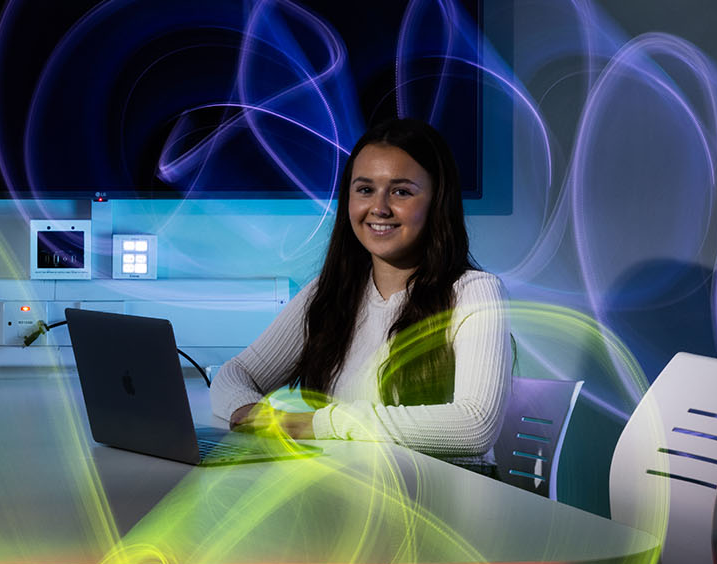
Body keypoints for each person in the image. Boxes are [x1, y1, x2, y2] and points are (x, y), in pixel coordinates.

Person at [210, 118, 511, 465]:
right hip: (352, 493)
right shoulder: (328, 293)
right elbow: (235, 375)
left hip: (444, 502)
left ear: (437, 201)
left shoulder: (476, 292)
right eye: (365, 189)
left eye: (401, 191)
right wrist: (252, 413)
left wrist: (316, 423)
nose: (379, 208)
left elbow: (474, 426)